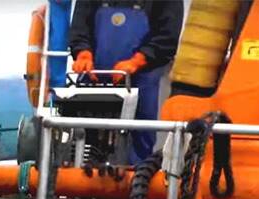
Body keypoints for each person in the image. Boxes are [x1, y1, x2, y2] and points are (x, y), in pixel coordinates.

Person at [69, 0, 184, 165]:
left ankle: (135, 179)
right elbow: (80, 24)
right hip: (94, 77)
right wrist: (83, 53)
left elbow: (167, 37)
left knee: (138, 142)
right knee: (85, 143)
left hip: (143, 81)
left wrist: (137, 61)